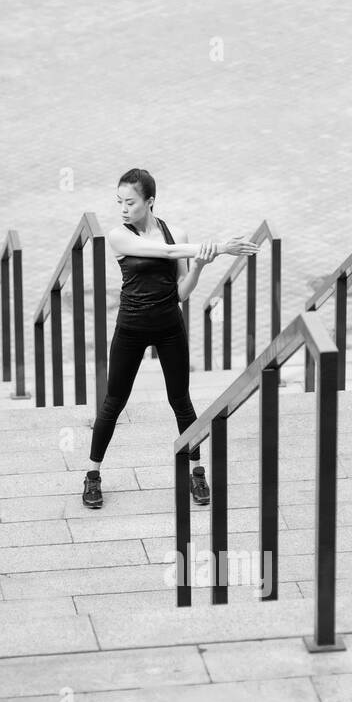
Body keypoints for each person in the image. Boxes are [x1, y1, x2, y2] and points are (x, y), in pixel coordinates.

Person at [82, 167, 256, 508]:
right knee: (113, 403)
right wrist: (219, 247)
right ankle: (92, 475)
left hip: (168, 326)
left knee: (181, 400)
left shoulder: (175, 232)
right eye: (119, 202)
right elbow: (163, 253)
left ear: (150, 201)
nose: (123, 208)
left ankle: (197, 471)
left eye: (130, 202)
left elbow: (181, 293)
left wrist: (202, 265)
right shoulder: (119, 236)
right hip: (131, 328)